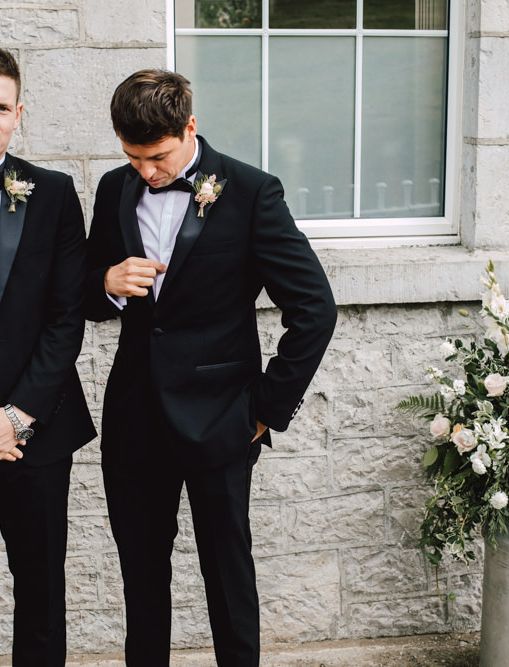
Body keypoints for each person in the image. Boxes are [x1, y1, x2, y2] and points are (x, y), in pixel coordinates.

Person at [84, 69, 337, 666]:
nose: (146, 171)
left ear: (190, 127)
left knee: (227, 575)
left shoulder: (251, 192)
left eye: (157, 157)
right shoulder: (112, 190)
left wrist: (266, 410)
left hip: (223, 419)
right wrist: (107, 283)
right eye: (132, 156)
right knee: (141, 580)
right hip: (134, 421)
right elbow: (86, 298)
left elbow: (314, 308)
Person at [0, 48, 96, 665]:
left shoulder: (54, 194)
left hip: (32, 431)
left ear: (17, 114)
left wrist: (15, 416)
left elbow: (67, 319)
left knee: (39, 588)